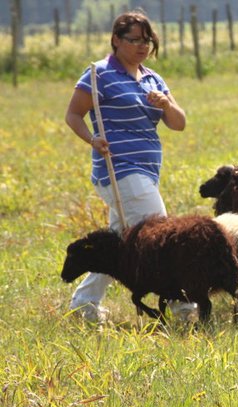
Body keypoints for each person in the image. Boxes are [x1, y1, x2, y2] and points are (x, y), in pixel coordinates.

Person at [65, 10, 191, 322]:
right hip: (119, 170)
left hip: (147, 171)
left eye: (146, 40)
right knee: (160, 235)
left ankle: (84, 305)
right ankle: (182, 305)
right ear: (116, 40)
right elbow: (73, 114)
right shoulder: (98, 74)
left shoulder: (153, 79)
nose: (141, 46)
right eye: (133, 40)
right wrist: (92, 139)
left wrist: (167, 104)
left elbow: (179, 124)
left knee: (118, 242)